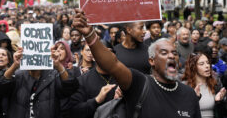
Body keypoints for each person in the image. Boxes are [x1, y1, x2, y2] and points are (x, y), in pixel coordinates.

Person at [72, 9, 201, 118]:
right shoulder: (140, 84)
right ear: (151, 61)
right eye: (164, 53)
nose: (171, 56)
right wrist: (89, 34)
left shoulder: (189, 94)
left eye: (174, 53)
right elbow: (112, 64)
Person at [0, 44, 79, 118]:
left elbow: (71, 87)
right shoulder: (17, 76)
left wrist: (58, 65)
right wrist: (15, 65)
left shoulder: (53, 75)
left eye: (37, 53)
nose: (34, 57)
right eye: (30, 53)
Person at [182, 52, 226, 118]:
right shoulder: (184, 86)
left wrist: (219, 102)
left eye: (208, 63)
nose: (207, 66)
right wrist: (195, 99)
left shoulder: (215, 83)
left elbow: (223, 113)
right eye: (202, 64)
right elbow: (181, 112)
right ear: (193, 67)